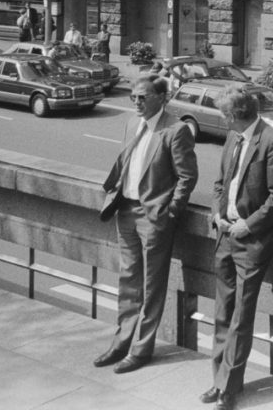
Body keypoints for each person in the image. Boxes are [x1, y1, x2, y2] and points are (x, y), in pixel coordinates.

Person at [94, 74, 198, 375]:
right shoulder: (131, 124)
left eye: (143, 97)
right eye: (133, 97)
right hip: (124, 211)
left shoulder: (176, 130)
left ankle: (141, 349)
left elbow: (187, 177)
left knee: (152, 285)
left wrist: (171, 212)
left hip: (153, 217)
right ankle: (121, 342)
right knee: (128, 280)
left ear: (161, 98)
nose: (136, 102)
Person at [206, 88, 273, 410]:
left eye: (224, 115)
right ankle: (219, 382)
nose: (222, 119)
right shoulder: (234, 138)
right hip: (225, 235)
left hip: (252, 241)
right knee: (222, 313)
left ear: (235, 115)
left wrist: (249, 224)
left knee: (241, 316)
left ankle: (228, 390)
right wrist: (217, 213)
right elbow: (220, 184)